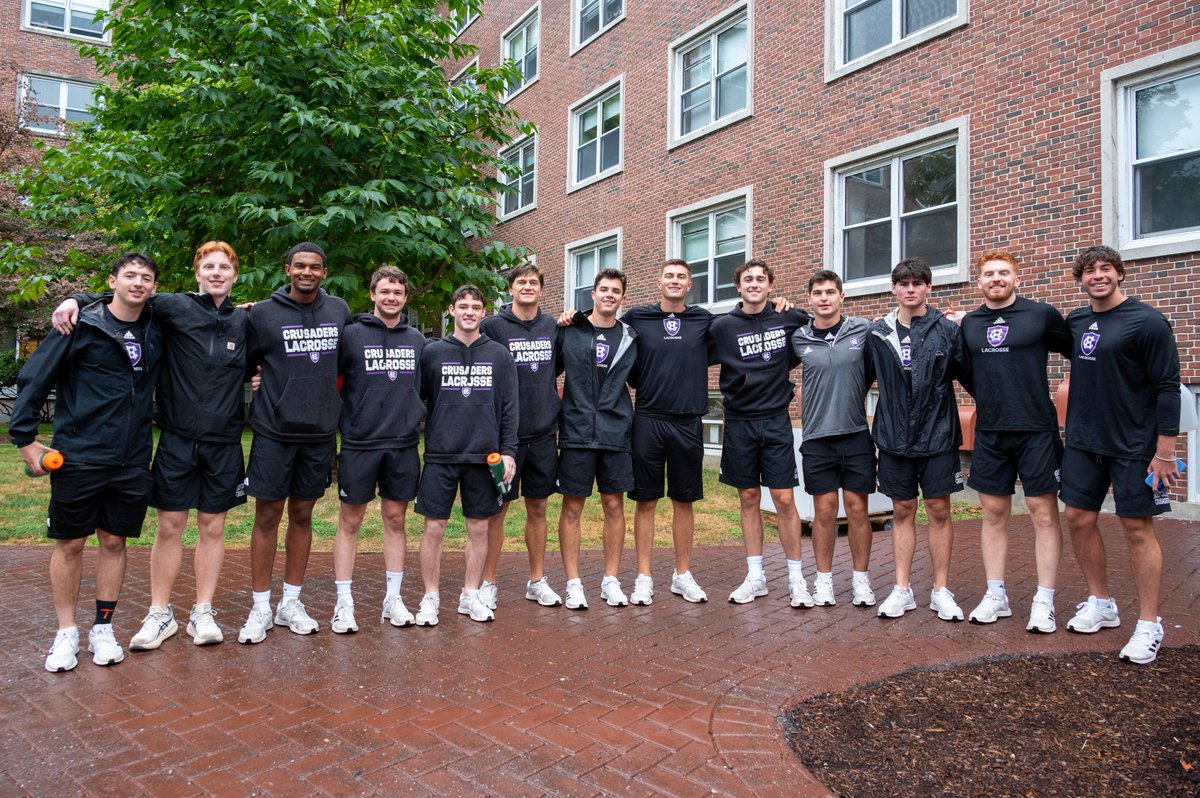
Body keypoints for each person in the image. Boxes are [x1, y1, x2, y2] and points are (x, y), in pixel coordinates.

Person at [53, 242, 250, 651]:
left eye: (224, 268)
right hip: (176, 439)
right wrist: (76, 297)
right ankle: (160, 613)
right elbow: (126, 294)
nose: (216, 273)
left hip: (224, 442)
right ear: (196, 273)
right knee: (169, 526)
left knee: (213, 527)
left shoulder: (247, 321)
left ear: (234, 276)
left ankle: (203, 611)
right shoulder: (173, 307)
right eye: (208, 266)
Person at [12, 253, 163, 672]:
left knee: (114, 542)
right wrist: (24, 439)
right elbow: (35, 378)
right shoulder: (78, 324)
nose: (137, 283)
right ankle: (66, 632)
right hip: (79, 454)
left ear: (152, 288)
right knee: (71, 542)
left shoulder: (155, 327)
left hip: (132, 457)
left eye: (145, 278)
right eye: (129, 275)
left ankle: (103, 627)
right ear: (112, 280)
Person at [1060, 246, 1181, 664]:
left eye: (1106, 268)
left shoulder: (1147, 321)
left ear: (1120, 275)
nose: (1098, 275)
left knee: (1136, 528)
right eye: (1089, 270)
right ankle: (1101, 603)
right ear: (1080, 279)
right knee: (1078, 518)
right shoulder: (1076, 321)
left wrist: (1165, 451)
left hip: (1134, 446)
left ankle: (1149, 623)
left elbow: (1168, 388)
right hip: (1081, 441)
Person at [239, 242, 351, 643]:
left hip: (319, 433)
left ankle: (290, 602)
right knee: (267, 517)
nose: (307, 272)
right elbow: (247, 361)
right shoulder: (263, 315)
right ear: (287, 269)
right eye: (299, 266)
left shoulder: (338, 310)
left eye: (315, 267)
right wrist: (259, 379)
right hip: (274, 432)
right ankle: (260, 606)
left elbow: (346, 362)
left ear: (325, 272)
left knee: (303, 516)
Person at [958, 251, 1072, 632]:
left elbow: (1084, 355)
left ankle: (1045, 600)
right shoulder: (969, 324)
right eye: (989, 273)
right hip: (990, 432)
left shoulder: (1042, 315)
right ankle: (996, 595)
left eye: (1004, 273)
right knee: (993, 515)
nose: (996, 278)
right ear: (979, 282)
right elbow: (967, 373)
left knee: (1043, 513)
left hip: (1036, 429)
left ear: (1017, 279)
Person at [867, 257, 969, 621]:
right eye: (904, 283)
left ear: (929, 288)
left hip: (938, 437)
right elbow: (859, 380)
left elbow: (971, 377)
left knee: (940, 511)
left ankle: (941, 589)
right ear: (893, 288)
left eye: (918, 283)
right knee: (902, 510)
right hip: (894, 439)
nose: (911, 289)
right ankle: (902, 589)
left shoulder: (948, 330)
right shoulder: (878, 333)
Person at [708, 260, 814, 607]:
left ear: (771, 286)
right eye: (748, 279)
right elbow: (689, 356)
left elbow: (814, 341)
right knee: (749, 498)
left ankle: (797, 577)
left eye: (761, 279)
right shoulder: (722, 327)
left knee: (784, 499)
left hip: (775, 420)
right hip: (739, 422)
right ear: (738, 287)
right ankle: (756, 576)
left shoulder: (790, 318)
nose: (754, 284)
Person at [328, 266, 427, 633]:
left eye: (398, 293)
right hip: (359, 443)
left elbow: (426, 386)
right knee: (350, 521)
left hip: (402, 444)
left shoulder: (417, 339)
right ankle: (344, 602)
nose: (391, 297)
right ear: (373, 294)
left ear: (405, 298)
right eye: (385, 291)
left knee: (396, 520)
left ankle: (393, 599)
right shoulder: (351, 336)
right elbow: (329, 379)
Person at [413, 285, 518, 625]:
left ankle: (470, 594)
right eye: (463, 306)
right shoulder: (433, 352)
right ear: (452, 310)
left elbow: (509, 409)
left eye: (476, 306)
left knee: (478, 527)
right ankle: (430, 597)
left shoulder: (500, 355)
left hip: (484, 457)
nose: (469, 311)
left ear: (484, 312)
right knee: (434, 527)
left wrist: (509, 452)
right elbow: (419, 397)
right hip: (441, 454)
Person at [622, 260, 715, 605]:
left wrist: (777, 306)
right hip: (647, 417)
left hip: (687, 420)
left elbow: (739, 329)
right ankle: (644, 576)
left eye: (681, 277)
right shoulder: (637, 317)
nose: (675, 281)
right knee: (645, 501)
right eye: (669, 276)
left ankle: (682, 574)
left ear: (689, 285)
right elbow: (600, 327)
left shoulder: (703, 320)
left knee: (683, 500)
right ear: (658, 281)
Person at [478, 263, 563, 609]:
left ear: (542, 290)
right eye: (520, 282)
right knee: (497, 510)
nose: (527, 287)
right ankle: (488, 582)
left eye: (533, 283)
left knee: (539, 507)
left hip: (544, 432)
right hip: (505, 438)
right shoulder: (492, 326)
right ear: (510, 289)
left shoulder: (553, 326)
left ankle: (537, 580)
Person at [791, 269, 877, 608]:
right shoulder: (799, 337)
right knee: (824, 512)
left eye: (830, 292)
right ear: (809, 300)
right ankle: (823, 581)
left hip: (855, 434)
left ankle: (861, 581)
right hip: (816, 437)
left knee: (858, 510)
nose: (824, 298)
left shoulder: (863, 330)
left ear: (842, 296)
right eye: (817, 293)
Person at [555, 268, 639, 609]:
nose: (609, 295)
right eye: (603, 289)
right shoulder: (569, 331)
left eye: (615, 290)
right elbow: (546, 373)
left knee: (614, 505)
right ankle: (573, 583)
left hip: (615, 430)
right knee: (572, 506)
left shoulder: (632, 337)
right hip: (576, 431)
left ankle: (610, 580)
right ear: (592, 294)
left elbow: (642, 379)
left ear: (622, 297)